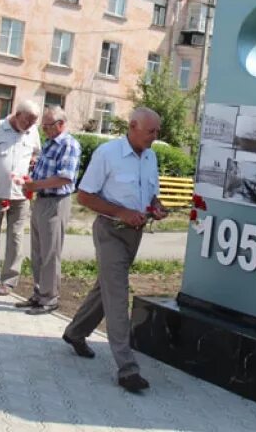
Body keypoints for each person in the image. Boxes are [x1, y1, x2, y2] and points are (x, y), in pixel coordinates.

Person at [61, 107, 167, 394]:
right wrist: (121, 212)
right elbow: (85, 196)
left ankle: (75, 332)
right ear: (132, 126)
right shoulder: (108, 154)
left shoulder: (150, 157)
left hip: (135, 234)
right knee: (118, 295)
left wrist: (156, 207)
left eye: (157, 131)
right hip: (110, 232)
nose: (155, 136)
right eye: (151, 131)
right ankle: (127, 368)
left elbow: (151, 195)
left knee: (106, 288)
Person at [15, 106, 81, 315]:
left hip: (56, 202)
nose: (44, 130)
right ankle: (39, 293)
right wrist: (29, 181)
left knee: (50, 253)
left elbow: (65, 177)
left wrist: (35, 185)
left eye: (47, 126)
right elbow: (42, 171)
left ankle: (49, 298)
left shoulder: (68, 144)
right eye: (42, 126)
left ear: (61, 124)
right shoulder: (49, 143)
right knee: (38, 251)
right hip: (41, 200)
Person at [0, 100, 41, 295]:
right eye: (27, 120)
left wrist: (33, 164)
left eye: (33, 122)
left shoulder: (32, 132)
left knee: (16, 237)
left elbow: (37, 155)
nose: (29, 125)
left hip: (21, 195)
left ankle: (9, 280)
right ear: (17, 114)